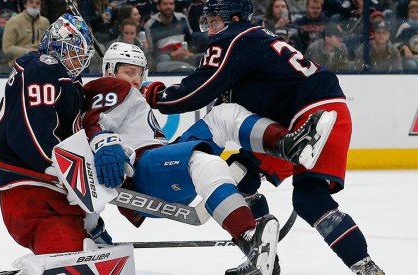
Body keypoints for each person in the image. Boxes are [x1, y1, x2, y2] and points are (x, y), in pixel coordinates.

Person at [139, 0, 385, 274]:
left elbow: (196, 92)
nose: (210, 30)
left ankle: (293, 148)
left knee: (257, 181)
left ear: (233, 19)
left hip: (307, 117)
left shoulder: (233, 40)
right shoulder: (256, 39)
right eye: (206, 23)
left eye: (214, 22)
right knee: (289, 193)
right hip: (322, 111)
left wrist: (153, 94)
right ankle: (356, 267)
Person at [82, 42, 337, 275]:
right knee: (206, 161)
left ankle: (288, 144)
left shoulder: (125, 91)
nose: (136, 79)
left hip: (160, 163)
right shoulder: (111, 86)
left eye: (140, 72)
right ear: (109, 71)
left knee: (224, 116)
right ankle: (249, 238)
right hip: (142, 171)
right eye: (129, 72)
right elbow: (93, 124)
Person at [0, 13, 114, 269]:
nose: (79, 61)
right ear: (57, 46)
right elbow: (30, 128)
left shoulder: (66, 79)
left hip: (51, 194)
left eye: (82, 55)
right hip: (33, 193)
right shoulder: (42, 67)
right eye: (73, 52)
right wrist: (59, 167)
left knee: (85, 255)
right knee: (72, 263)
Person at [2, 0, 50, 68]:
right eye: (31, 2)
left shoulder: (45, 22)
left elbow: (48, 45)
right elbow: (7, 48)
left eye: (38, 3)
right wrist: (28, 52)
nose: (34, 5)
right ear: (25, 5)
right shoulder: (13, 21)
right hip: (18, 61)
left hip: (40, 60)